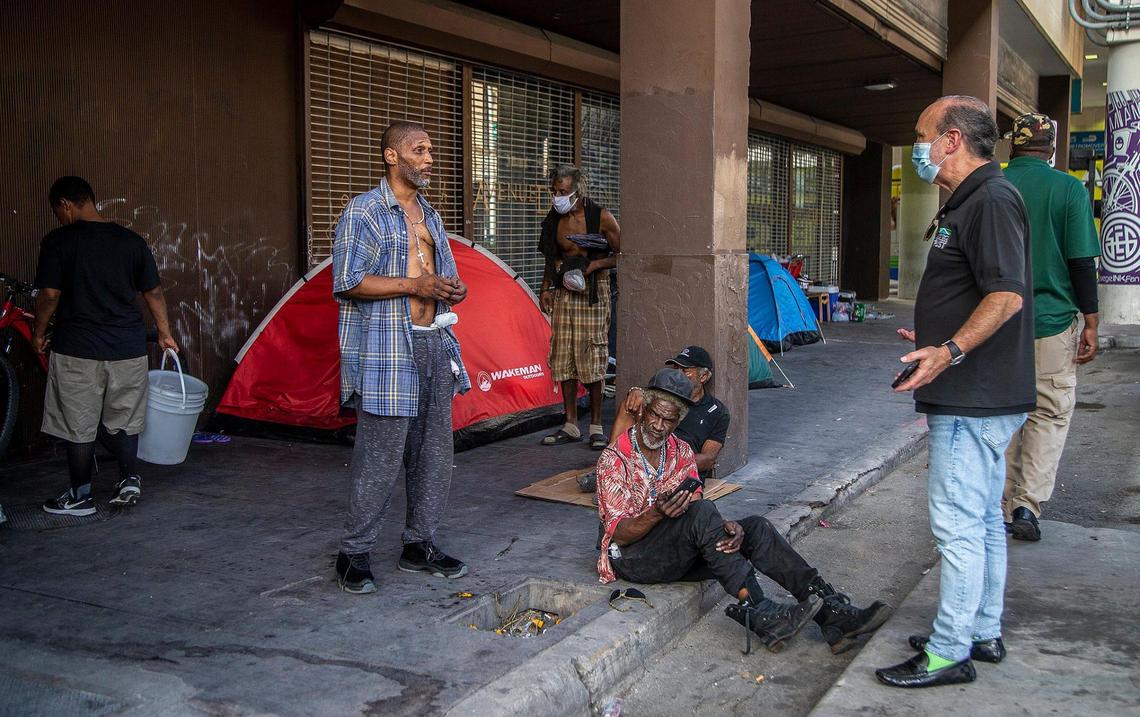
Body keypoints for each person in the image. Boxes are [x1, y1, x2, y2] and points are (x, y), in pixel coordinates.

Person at [877, 96, 1034, 689]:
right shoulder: (972, 201)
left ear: (950, 140)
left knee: (958, 525)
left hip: (973, 395)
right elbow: (981, 294)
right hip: (981, 391)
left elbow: (1007, 294)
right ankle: (981, 630)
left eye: (922, 134)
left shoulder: (990, 200)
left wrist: (950, 351)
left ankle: (948, 651)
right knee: (985, 521)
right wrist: (938, 333)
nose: (917, 147)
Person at [596, 368, 892, 653]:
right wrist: (656, 514)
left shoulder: (681, 451)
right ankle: (759, 609)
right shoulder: (614, 458)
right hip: (632, 558)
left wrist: (726, 527)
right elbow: (620, 535)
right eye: (654, 415)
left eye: (669, 420)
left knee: (754, 528)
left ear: (679, 421)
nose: (659, 426)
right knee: (702, 514)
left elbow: (697, 508)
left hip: (675, 549)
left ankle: (829, 610)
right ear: (643, 409)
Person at [332, 121, 471, 594]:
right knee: (380, 455)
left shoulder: (431, 216)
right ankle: (353, 552)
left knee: (434, 453)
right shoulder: (364, 212)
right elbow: (348, 281)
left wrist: (453, 289)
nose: (430, 158)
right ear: (393, 156)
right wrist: (415, 285)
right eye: (420, 150)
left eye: (431, 150)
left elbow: (443, 277)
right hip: (389, 348)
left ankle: (419, 545)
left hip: (434, 340)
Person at [32, 176, 178, 516]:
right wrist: (164, 332)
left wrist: (39, 333)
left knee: (77, 423)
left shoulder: (58, 242)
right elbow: (153, 292)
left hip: (77, 349)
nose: (59, 216)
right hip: (127, 347)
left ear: (65, 204)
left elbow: (50, 295)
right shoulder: (130, 241)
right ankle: (128, 479)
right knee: (124, 418)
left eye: (58, 210)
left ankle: (80, 496)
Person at [1001, 113, 1101, 543]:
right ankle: (1026, 505)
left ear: (1012, 147)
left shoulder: (993, 185)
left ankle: (996, 503)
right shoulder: (1067, 189)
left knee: (1001, 413)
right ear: (1051, 148)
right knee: (1048, 412)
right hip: (1051, 323)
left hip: (995, 324)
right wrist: (1092, 321)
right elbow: (1082, 262)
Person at [537, 165, 620, 450]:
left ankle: (596, 426)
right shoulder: (553, 221)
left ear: (578, 191)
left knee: (592, 355)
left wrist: (595, 265)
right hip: (564, 292)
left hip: (594, 293)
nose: (557, 197)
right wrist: (545, 288)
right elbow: (551, 258)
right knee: (564, 355)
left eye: (563, 191)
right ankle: (570, 424)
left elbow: (625, 254)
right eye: (554, 191)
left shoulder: (601, 217)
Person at [611, 346, 728, 482]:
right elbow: (649, 397)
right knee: (630, 405)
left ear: (703, 376)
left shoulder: (717, 411)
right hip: (645, 455)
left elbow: (707, 459)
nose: (678, 375)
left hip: (677, 468)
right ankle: (614, 464)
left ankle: (627, 474)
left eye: (685, 371)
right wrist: (636, 391)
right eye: (675, 369)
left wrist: (663, 465)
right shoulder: (665, 396)